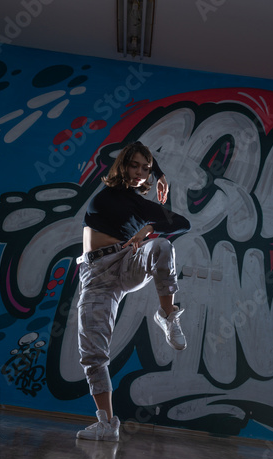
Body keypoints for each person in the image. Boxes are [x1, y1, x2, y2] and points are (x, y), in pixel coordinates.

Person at [76, 142, 190, 441]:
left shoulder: (142, 205)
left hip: (127, 264)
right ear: (123, 164)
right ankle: (106, 423)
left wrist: (148, 230)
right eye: (135, 165)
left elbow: (183, 224)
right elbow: (130, 144)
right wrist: (162, 174)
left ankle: (167, 315)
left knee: (163, 245)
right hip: (97, 274)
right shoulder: (110, 193)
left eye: (146, 169)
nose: (140, 173)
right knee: (92, 351)